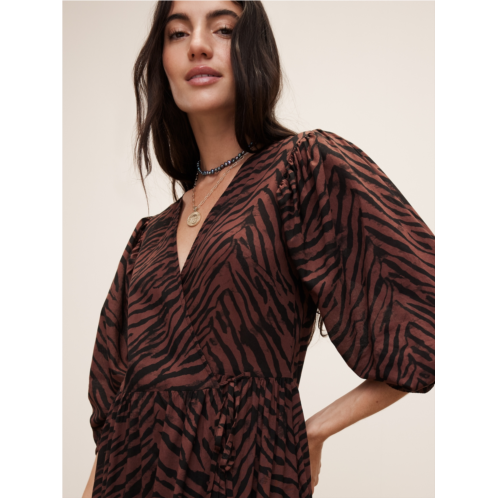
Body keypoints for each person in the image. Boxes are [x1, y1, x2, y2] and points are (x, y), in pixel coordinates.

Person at [82, 0, 436, 497]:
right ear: (161, 62)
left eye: (223, 29)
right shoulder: (147, 238)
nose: (198, 45)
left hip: (249, 477)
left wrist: (314, 431)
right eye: (177, 33)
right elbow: (113, 422)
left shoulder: (300, 169)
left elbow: (423, 312)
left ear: (254, 48)